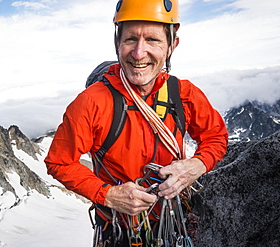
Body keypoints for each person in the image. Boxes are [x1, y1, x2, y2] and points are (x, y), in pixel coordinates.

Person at [45, 0, 228, 246]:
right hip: (119, 229)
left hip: (174, 218)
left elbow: (215, 136)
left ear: (171, 45)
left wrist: (195, 165)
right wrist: (108, 194)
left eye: (152, 40)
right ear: (117, 43)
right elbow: (59, 161)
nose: (139, 53)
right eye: (130, 39)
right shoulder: (91, 102)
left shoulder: (183, 94)